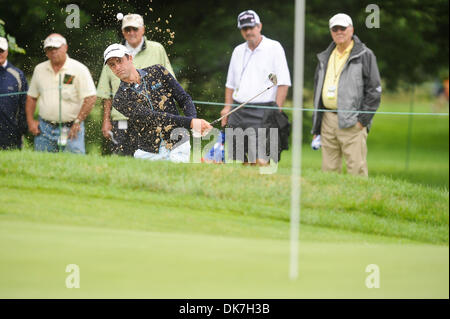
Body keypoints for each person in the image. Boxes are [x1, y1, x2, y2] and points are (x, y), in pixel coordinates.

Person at [103, 44, 211, 162]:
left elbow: (183, 98)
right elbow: (153, 117)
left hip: (177, 142)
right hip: (148, 151)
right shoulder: (120, 99)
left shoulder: (158, 71)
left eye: (120, 61)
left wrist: (193, 120)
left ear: (130, 58)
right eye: (112, 65)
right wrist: (190, 122)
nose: (117, 67)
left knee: (178, 178)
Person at [311, 13, 381, 176]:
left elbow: (374, 91)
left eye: (343, 28)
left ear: (351, 30)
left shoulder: (365, 54)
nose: (339, 31)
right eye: (335, 29)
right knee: (328, 171)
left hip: (353, 121)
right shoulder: (325, 56)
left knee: (356, 169)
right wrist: (317, 124)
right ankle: (331, 201)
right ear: (331, 32)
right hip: (327, 120)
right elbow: (317, 90)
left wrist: (362, 121)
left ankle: (358, 202)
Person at [97, 13, 175, 156]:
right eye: (127, 30)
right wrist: (106, 120)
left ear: (143, 30)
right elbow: (106, 93)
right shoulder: (112, 55)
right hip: (121, 119)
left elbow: (169, 82)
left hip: (152, 119)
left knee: (151, 161)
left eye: (135, 29)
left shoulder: (157, 49)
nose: (131, 33)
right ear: (123, 32)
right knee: (120, 161)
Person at [220, 10, 291, 165]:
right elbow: (230, 84)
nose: (248, 31)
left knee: (261, 158)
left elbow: (283, 82)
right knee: (242, 158)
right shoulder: (238, 51)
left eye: (251, 27)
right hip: (239, 109)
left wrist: (277, 110)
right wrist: (227, 107)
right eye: (245, 29)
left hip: (265, 110)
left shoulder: (274, 47)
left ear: (259, 26)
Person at [25, 34, 96, 154]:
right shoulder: (39, 69)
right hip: (45, 128)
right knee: (42, 166)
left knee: (75, 166)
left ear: (65, 48)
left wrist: (78, 121)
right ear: (46, 52)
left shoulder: (79, 69)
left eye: (56, 48)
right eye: (49, 49)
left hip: (72, 127)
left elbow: (91, 97)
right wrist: (31, 121)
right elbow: (31, 97)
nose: (53, 52)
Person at [0, 36, 28, 150]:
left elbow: (24, 104)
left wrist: (22, 129)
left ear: (7, 52)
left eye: (1, 51)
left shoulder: (17, 75)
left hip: (10, 134)